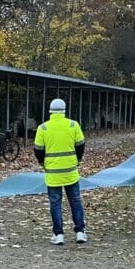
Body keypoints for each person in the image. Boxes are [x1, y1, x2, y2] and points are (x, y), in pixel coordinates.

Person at [34, 98, 87, 245]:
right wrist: (77, 160)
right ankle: (80, 232)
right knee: (75, 201)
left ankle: (58, 234)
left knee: (55, 203)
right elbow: (81, 145)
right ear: (64, 110)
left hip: (52, 173)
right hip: (71, 171)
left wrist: (43, 163)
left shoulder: (43, 128)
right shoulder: (73, 125)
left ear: (50, 111)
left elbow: (38, 150)